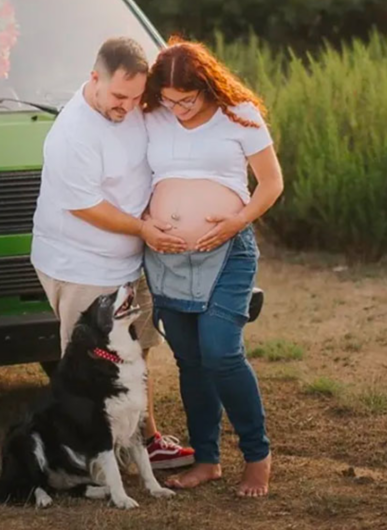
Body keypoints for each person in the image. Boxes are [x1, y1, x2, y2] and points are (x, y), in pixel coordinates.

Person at [31, 36, 195, 471]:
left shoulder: (134, 106)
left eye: (137, 97)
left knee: (136, 351)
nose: (129, 106)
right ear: (95, 79)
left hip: (131, 259)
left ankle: (146, 440)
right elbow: (86, 206)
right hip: (80, 263)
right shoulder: (72, 134)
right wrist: (143, 228)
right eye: (120, 96)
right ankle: (84, 460)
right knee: (90, 365)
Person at [142, 38, 284, 497]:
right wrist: (144, 221)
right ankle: (207, 459)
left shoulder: (239, 114)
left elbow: (271, 183)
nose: (178, 109)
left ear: (207, 86)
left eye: (187, 100)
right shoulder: (153, 116)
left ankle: (257, 456)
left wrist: (237, 220)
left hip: (227, 251)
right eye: (169, 100)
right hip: (167, 257)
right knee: (190, 360)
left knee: (221, 352)